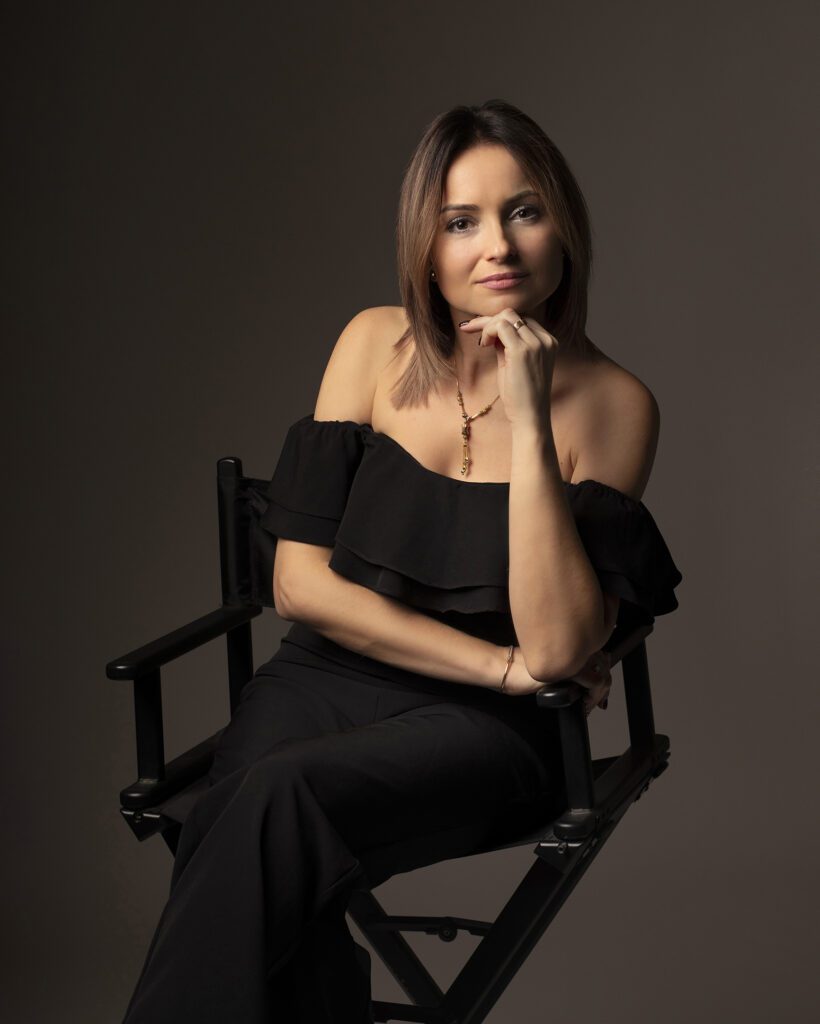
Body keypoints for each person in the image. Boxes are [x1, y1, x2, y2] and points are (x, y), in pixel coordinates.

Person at [121, 98, 683, 1023]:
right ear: (426, 248)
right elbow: (301, 586)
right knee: (252, 828)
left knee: (266, 805)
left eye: (524, 211)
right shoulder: (372, 343)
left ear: (565, 230)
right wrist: (500, 665)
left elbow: (554, 649)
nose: (496, 246)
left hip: (488, 733)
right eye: (461, 222)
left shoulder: (617, 404)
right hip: (327, 679)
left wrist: (532, 422)